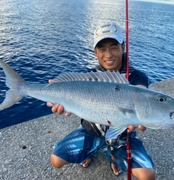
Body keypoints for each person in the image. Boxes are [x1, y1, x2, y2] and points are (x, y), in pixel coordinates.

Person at [47, 21, 155, 180]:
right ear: (95, 52)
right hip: (92, 131)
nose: (108, 54)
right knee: (56, 160)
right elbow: (73, 95)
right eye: (102, 49)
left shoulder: (137, 76)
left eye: (113, 47)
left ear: (123, 48)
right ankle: (91, 150)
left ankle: (113, 156)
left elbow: (142, 92)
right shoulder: (89, 76)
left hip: (122, 136)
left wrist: (146, 105)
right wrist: (60, 100)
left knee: (148, 176)